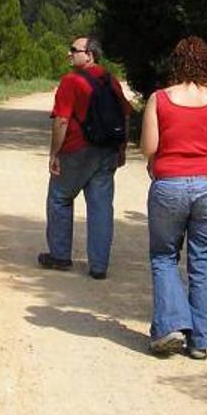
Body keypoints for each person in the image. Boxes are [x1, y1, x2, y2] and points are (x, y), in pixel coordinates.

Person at [140, 37, 207, 359]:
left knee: (164, 256)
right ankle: (200, 341)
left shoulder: (160, 99)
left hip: (169, 183)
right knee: (204, 261)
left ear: (176, 63)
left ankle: (170, 325)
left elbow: (148, 148)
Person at [42, 36, 132, 279]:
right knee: (101, 208)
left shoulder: (71, 81)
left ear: (89, 55)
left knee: (60, 197)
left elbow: (61, 120)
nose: (68, 54)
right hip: (107, 151)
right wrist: (121, 148)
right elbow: (125, 115)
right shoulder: (109, 80)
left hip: (76, 150)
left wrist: (54, 153)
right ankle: (99, 266)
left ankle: (60, 256)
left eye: (74, 50)